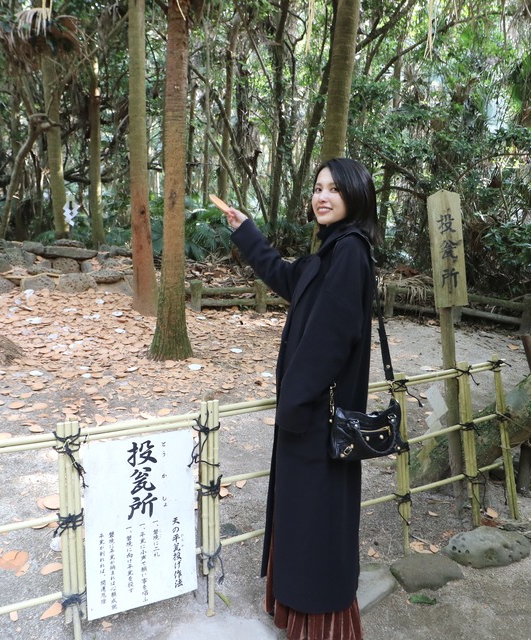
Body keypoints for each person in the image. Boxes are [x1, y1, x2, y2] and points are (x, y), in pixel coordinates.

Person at [224, 158, 380, 640]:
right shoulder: (328, 252)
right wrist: (247, 232)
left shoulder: (350, 251)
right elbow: (287, 278)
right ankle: (297, 615)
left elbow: (330, 341)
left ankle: (322, 625)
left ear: (355, 195)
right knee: (306, 519)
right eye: (317, 188)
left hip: (318, 419)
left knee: (316, 522)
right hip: (312, 416)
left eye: (334, 188)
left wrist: (292, 402)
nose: (322, 196)